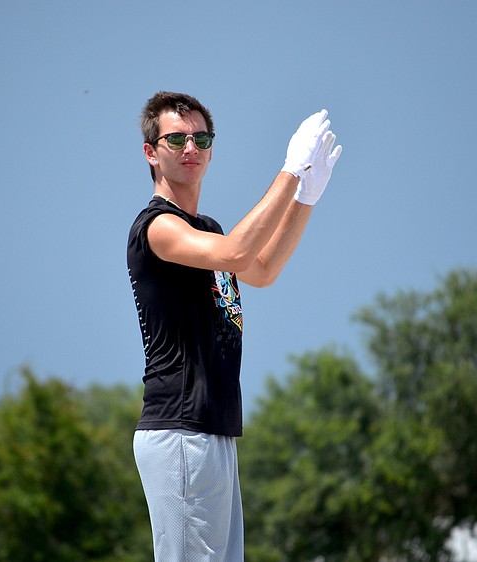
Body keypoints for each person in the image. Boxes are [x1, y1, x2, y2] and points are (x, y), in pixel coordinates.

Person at [127, 91, 342, 561]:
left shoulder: (205, 227)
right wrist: (288, 172)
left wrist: (306, 196)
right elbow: (238, 254)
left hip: (214, 428)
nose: (191, 148)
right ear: (151, 152)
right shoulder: (158, 227)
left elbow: (261, 269)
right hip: (179, 427)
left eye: (201, 138)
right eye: (177, 139)